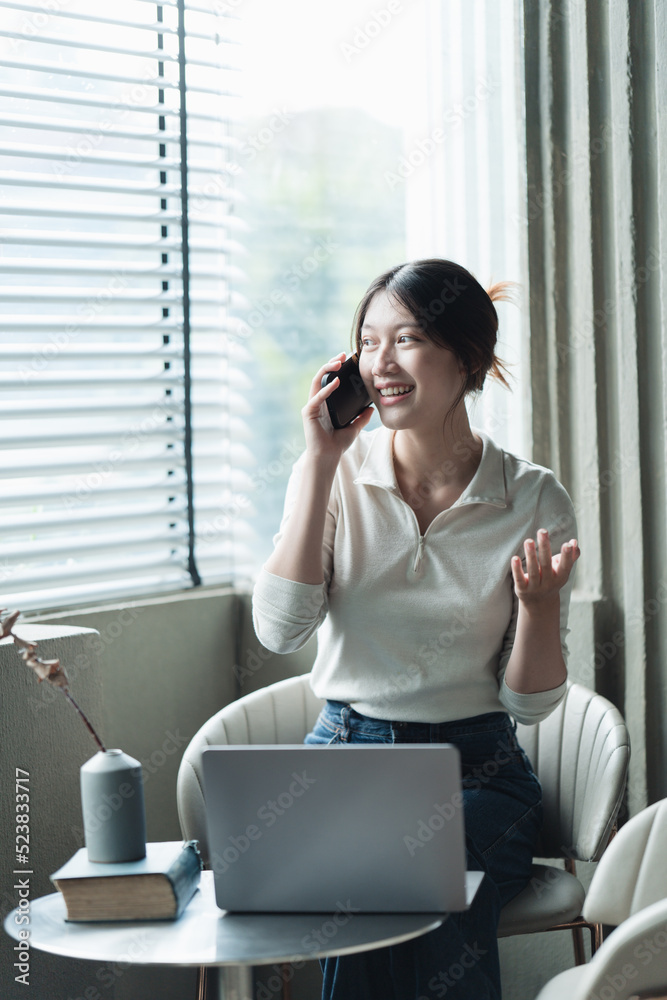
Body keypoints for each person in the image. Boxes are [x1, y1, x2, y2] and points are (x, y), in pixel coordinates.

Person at [252, 259, 579, 1000]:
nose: (381, 362)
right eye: (368, 343)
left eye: (406, 339)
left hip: (477, 768)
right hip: (343, 755)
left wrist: (539, 609)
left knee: (406, 864)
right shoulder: (336, 472)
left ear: (465, 357)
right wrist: (318, 460)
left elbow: (527, 707)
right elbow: (280, 630)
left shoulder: (529, 498)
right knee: (380, 870)